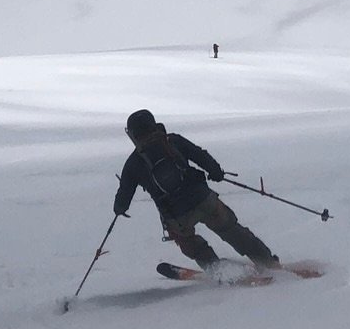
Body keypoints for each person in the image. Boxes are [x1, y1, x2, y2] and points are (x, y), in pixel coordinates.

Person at [114, 110, 278, 269]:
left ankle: (219, 271)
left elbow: (124, 192)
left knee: (191, 245)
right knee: (231, 230)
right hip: (204, 200)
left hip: (176, 216)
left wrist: (120, 208)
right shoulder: (173, 141)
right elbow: (200, 155)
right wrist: (216, 172)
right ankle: (267, 262)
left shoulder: (133, 163)